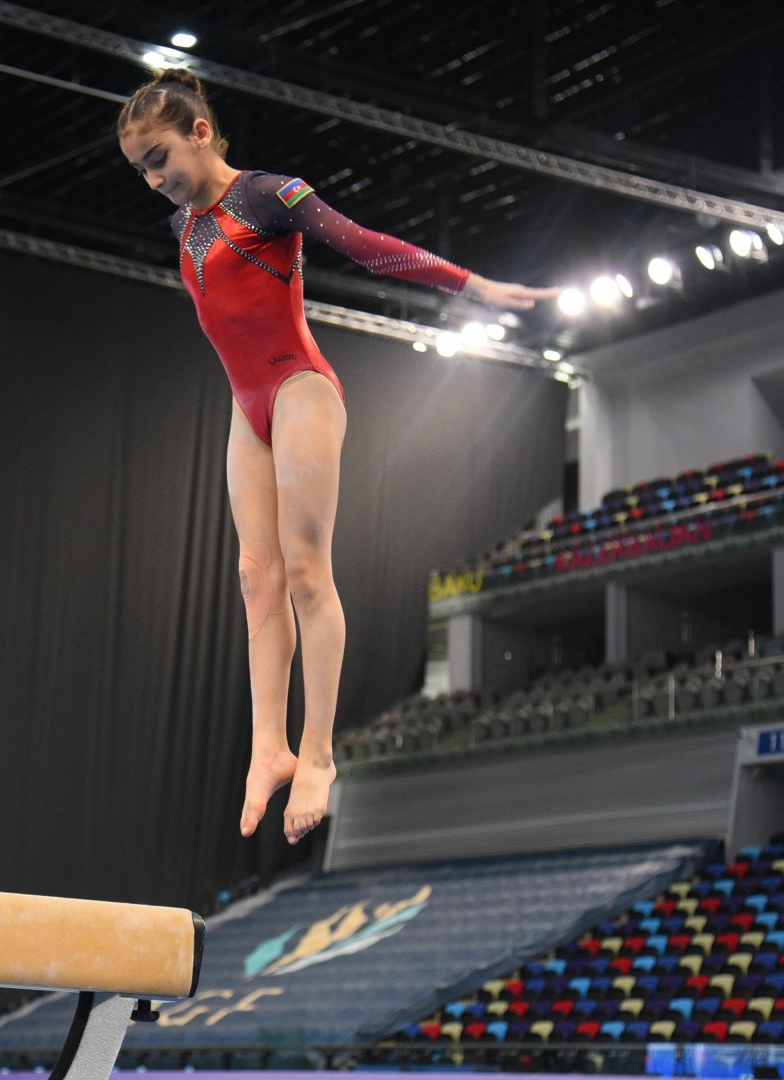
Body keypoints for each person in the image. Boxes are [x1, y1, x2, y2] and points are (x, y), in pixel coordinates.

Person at [117, 70, 559, 845]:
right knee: (256, 576)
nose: (156, 180)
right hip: (243, 406)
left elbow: (365, 247)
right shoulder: (183, 229)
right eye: (142, 171)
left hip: (299, 388)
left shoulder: (267, 197)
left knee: (304, 567)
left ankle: (318, 752)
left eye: (160, 157)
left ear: (199, 132)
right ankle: (269, 748)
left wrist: (471, 283)